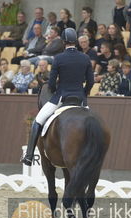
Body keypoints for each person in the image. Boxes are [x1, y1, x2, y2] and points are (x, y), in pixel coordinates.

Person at [20, 28, 94, 166]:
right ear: (76, 41)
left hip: (61, 97)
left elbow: (52, 83)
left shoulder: (59, 58)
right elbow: (91, 81)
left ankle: (29, 156)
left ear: (64, 41)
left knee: (37, 121)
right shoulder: (85, 58)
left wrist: (54, 90)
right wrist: (84, 93)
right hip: (80, 100)